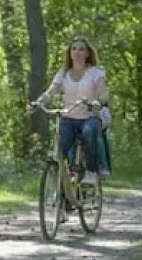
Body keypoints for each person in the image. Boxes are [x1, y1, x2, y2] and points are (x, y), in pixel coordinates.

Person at [32, 36, 109, 184]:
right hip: (69, 117)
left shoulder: (95, 73)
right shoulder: (64, 73)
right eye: (74, 49)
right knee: (60, 148)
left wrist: (98, 102)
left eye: (81, 49)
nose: (77, 52)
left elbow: (103, 93)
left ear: (87, 53)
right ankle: (60, 186)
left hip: (89, 116)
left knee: (89, 131)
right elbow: (50, 92)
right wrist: (38, 102)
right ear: (69, 53)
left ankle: (91, 171)